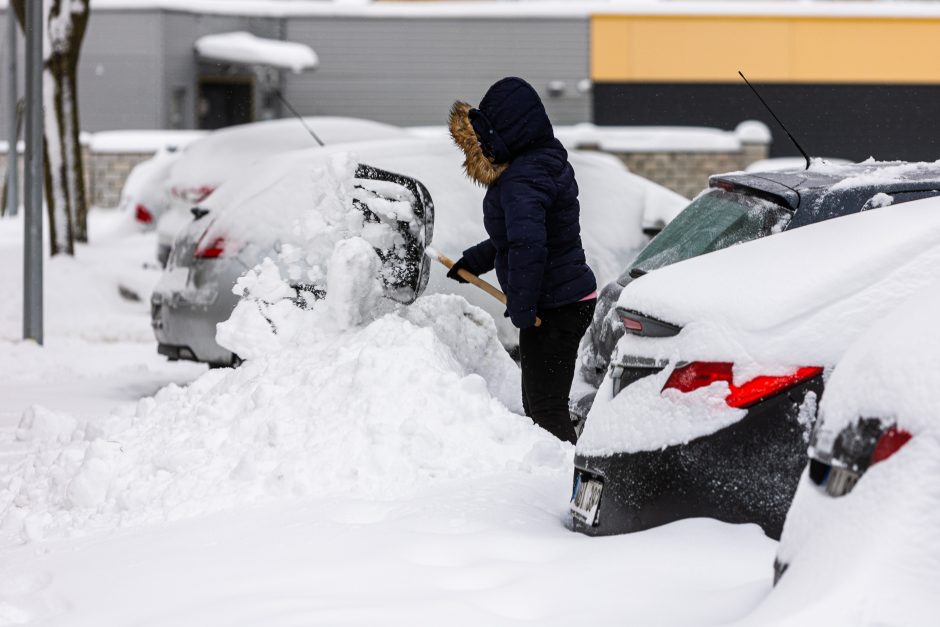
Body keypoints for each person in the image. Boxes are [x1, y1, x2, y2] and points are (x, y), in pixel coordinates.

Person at [446, 76, 597, 444]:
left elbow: (530, 245)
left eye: (487, 135)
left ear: (510, 128)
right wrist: (473, 262)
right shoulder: (542, 161)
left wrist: (524, 306)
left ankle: (569, 487)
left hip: (555, 306)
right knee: (540, 408)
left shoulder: (523, 177)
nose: (483, 144)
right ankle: (560, 482)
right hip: (567, 298)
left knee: (545, 412)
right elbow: (518, 237)